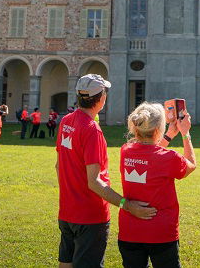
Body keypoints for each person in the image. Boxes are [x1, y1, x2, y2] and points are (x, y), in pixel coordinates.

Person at [56, 74, 155, 267]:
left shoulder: (66, 121)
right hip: (90, 216)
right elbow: (94, 182)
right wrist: (127, 205)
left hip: (67, 212)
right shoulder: (91, 130)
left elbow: (59, 166)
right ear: (101, 98)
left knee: (65, 263)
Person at [118, 102, 196, 268]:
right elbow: (190, 164)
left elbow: (149, 157)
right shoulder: (169, 157)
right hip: (161, 233)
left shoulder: (125, 150)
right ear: (157, 130)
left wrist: (168, 136)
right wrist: (185, 134)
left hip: (129, 231)